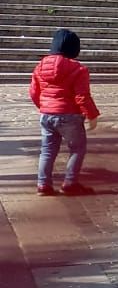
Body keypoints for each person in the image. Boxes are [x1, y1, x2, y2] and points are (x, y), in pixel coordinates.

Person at [30, 28, 100, 197]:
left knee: (47, 150)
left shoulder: (40, 67)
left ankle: (43, 184)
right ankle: (70, 183)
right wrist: (92, 115)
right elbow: (82, 96)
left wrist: (44, 106)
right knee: (77, 148)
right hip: (70, 116)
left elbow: (33, 92)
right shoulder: (78, 69)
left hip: (47, 114)